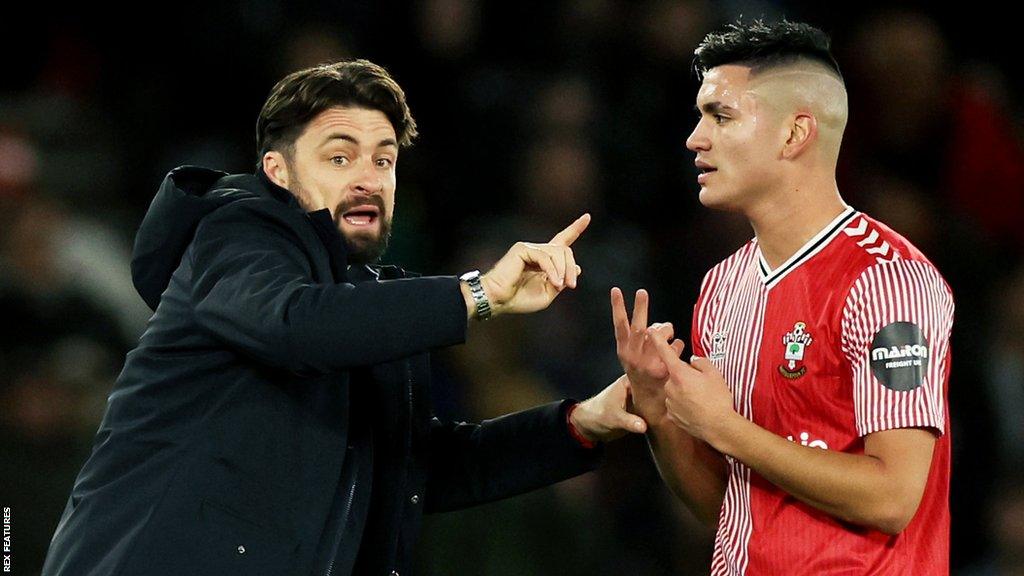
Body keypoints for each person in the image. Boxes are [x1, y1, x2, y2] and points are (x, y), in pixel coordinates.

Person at [41, 59, 647, 576]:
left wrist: (581, 424)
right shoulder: (234, 234)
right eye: (339, 157)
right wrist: (477, 294)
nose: (367, 179)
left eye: (384, 161)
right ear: (278, 174)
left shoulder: (372, 306)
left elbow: (417, 468)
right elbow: (293, 323)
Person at [611, 20, 954, 575]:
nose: (695, 138)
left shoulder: (888, 281)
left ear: (795, 134)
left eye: (720, 116)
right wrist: (662, 414)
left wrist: (724, 428)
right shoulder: (722, 288)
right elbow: (733, 510)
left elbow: (893, 497)